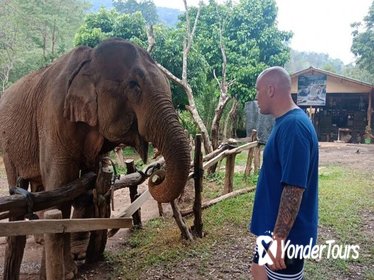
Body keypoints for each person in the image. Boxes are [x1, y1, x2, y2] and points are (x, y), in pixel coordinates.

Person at [249, 66, 319, 280]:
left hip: (287, 238)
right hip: (272, 230)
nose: (256, 97)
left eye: (258, 90)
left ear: (270, 90)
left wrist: (279, 239)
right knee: (258, 270)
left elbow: (294, 188)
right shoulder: (284, 123)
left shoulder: (294, 127)